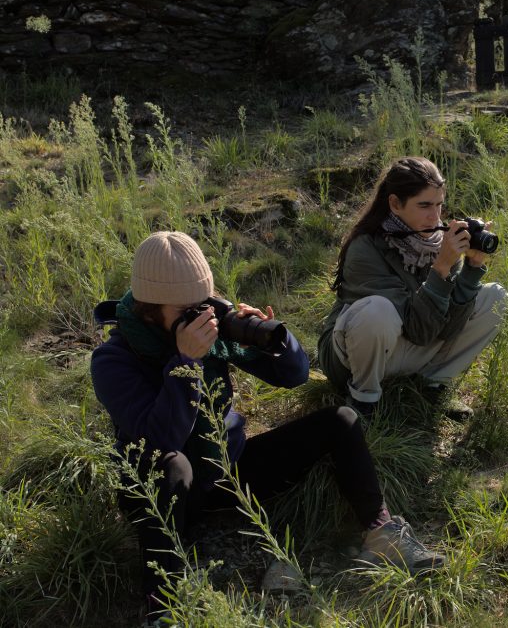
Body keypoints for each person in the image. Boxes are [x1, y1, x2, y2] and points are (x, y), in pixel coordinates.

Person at [92, 231, 442, 624]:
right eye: (186, 311)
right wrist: (185, 364)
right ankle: (166, 605)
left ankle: (380, 533)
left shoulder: (211, 330)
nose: (201, 319)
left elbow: (294, 376)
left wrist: (271, 337)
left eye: (204, 305)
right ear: (149, 309)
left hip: (226, 467)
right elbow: (162, 440)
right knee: (173, 463)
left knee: (340, 420)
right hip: (164, 488)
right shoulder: (113, 360)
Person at [318, 156, 508, 419]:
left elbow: (447, 328)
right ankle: (363, 400)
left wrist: (471, 269)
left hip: (408, 345)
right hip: (355, 359)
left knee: (494, 297)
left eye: (440, 204)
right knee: (377, 311)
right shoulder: (366, 249)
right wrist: (440, 269)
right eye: (424, 206)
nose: (436, 216)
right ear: (395, 204)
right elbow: (418, 330)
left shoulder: (438, 243)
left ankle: (432, 386)